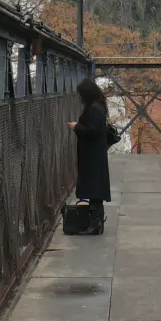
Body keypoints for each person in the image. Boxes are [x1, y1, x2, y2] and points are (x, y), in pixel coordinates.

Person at [67, 78, 111, 232]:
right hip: (95, 154)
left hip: (92, 155)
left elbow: (92, 131)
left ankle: (95, 223)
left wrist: (76, 127)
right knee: (95, 187)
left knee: (93, 186)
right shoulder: (98, 106)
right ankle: (96, 222)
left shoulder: (94, 109)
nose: (79, 98)